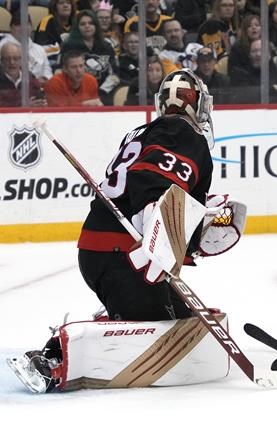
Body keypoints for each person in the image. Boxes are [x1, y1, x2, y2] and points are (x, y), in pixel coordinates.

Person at [9, 68, 247, 393]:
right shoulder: (182, 132)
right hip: (122, 257)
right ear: (195, 103)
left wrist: (194, 229)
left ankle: (119, 309)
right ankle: (51, 359)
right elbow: (153, 185)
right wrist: (154, 214)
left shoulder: (144, 131)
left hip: (108, 252)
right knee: (165, 325)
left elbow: (167, 204)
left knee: (186, 319)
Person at [61, 9, 120, 102]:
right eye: (83, 24)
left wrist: (101, 92)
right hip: (76, 94)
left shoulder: (106, 46)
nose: (87, 26)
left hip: (104, 93)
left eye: (91, 23)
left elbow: (115, 73)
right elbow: (61, 71)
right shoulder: (69, 46)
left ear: (96, 25)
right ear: (77, 27)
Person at [229, 39, 277, 103]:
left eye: (262, 50)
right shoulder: (241, 73)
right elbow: (245, 96)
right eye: (254, 51)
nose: (258, 54)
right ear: (249, 55)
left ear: (269, 55)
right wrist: (272, 89)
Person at [0, 12, 53, 85]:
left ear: (31, 27)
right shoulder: (2, 47)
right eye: (18, 25)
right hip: (10, 90)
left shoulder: (39, 49)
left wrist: (45, 79)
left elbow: (47, 72)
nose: (23, 28)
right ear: (11, 28)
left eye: (26, 24)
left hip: (38, 90)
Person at [0, 42, 48, 107]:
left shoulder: (31, 79)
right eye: (7, 59)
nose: (12, 62)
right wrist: (22, 106)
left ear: (21, 60)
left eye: (16, 58)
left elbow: (39, 101)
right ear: (1, 61)